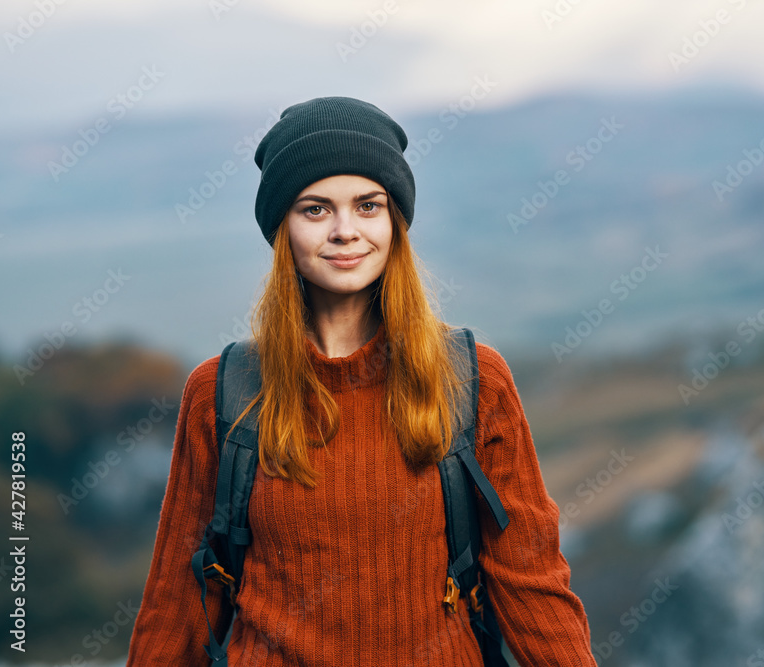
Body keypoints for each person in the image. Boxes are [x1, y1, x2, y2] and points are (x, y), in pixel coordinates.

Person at [125, 97, 597, 665]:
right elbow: (178, 602)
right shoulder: (222, 393)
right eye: (316, 209)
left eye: (368, 205)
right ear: (283, 228)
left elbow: (531, 582)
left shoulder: (472, 381)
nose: (345, 231)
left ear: (394, 222)